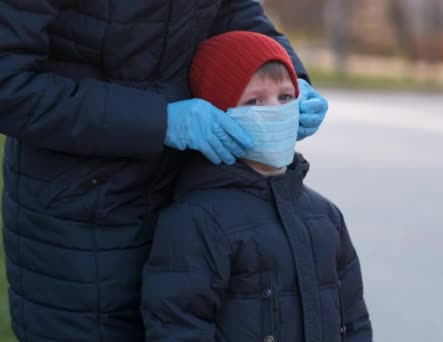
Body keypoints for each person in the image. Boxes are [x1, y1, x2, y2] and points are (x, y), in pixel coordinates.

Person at [0, 1, 328, 341]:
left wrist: (291, 76)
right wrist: (160, 121)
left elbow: (236, 11)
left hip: (189, 194)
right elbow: (8, 84)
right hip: (82, 222)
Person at [141, 31, 372, 342]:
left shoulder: (326, 217)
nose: (275, 110)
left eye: (286, 97)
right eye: (255, 101)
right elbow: (179, 328)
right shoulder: (196, 220)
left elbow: (354, 321)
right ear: (219, 115)